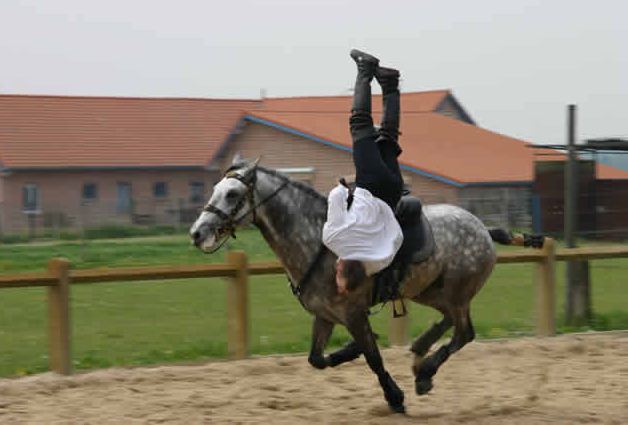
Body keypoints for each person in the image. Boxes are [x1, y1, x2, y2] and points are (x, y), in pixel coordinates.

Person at [322, 49, 405, 295]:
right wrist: (340, 188)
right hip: (371, 184)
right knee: (360, 123)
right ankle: (365, 70)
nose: (335, 272)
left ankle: (390, 84)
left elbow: (397, 237)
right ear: (341, 269)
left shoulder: (378, 262)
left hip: (392, 193)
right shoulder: (333, 240)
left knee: (388, 137)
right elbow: (336, 198)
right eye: (337, 275)